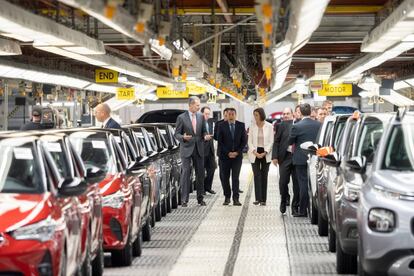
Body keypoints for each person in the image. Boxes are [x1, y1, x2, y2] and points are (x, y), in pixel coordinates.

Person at [175, 96, 209, 207]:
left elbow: (204, 131)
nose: (199, 107)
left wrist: (205, 136)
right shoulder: (181, 117)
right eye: (197, 105)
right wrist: (183, 137)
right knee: (186, 173)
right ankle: (184, 199)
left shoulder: (201, 117)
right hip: (186, 149)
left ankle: (200, 198)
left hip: (199, 148)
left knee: (200, 174)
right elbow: (176, 134)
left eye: (199, 105)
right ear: (190, 105)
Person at [288, 103, 321, 217]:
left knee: (303, 184)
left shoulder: (297, 126)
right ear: (311, 111)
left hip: (300, 159)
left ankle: (303, 210)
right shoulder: (318, 124)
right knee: (315, 184)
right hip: (316, 158)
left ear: (300, 112)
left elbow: (290, 141)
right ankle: (315, 209)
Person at [272, 107, 300, 214]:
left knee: (297, 184)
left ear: (293, 115)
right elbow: (276, 141)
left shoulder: (299, 124)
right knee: (283, 182)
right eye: (284, 114)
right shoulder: (281, 125)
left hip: (296, 157)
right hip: (285, 157)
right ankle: (283, 201)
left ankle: (295, 206)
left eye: (288, 113)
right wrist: (275, 156)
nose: (285, 115)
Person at [217, 108, 247, 206]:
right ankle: (227, 197)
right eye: (229, 114)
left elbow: (244, 141)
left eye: (232, 114)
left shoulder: (241, 125)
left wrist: (237, 152)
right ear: (227, 115)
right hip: (225, 157)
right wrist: (228, 153)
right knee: (225, 178)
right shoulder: (221, 126)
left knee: (235, 178)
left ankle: (236, 198)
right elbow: (220, 142)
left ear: (235, 115)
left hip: (237, 157)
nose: (231, 116)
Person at [248, 108, 274, 206]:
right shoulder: (252, 126)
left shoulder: (269, 126)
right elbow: (249, 141)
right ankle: (258, 198)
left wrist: (265, 152)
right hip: (254, 152)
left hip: (265, 152)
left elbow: (271, 141)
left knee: (264, 175)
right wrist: (254, 152)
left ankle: (263, 199)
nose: (255, 117)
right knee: (256, 175)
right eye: (254, 115)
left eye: (257, 115)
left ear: (261, 115)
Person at [201, 106, 216, 195]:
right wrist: (204, 137)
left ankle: (208, 187)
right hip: (202, 150)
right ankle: (202, 189)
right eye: (206, 114)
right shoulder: (198, 123)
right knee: (202, 172)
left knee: (212, 168)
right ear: (202, 113)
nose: (207, 116)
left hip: (210, 149)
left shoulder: (210, 123)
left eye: (208, 114)